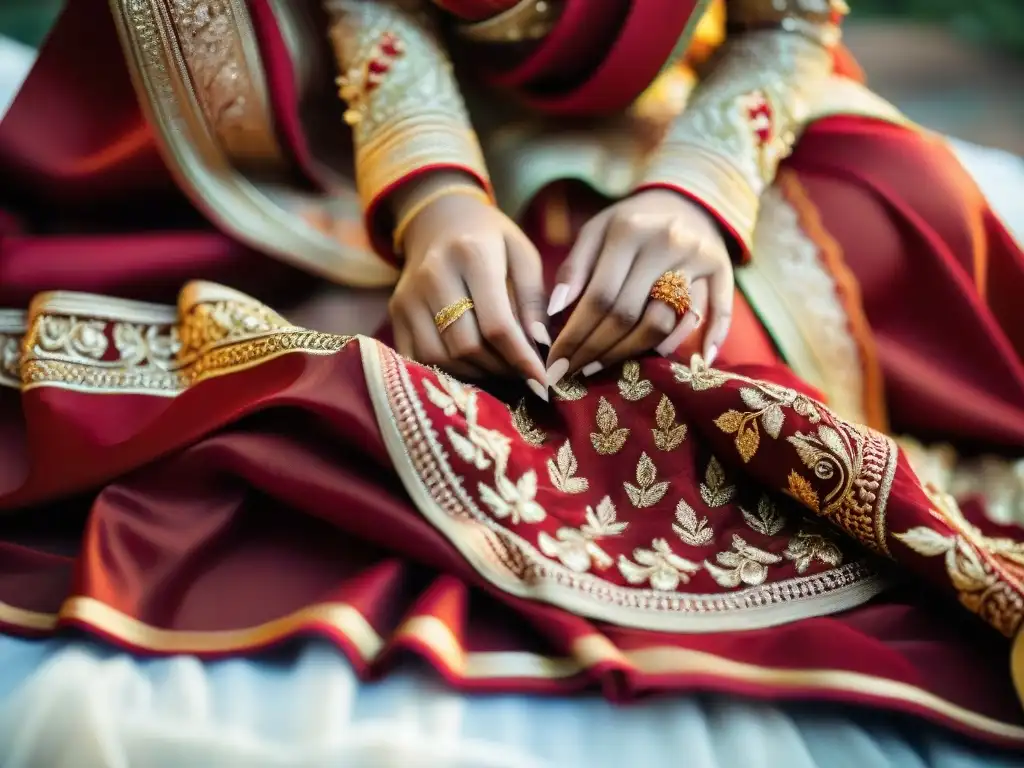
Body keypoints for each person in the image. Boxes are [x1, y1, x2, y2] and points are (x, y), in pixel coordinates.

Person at [0, 0, 1023, 751]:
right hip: (355, 124)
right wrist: (432, 196)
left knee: (901, 201)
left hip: (675, 117)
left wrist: (701, 193)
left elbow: (785, 23)